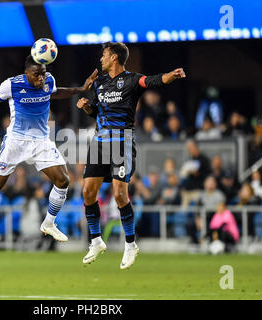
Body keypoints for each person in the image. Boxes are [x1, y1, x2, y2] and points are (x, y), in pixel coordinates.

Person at [0, 55, 98, 243]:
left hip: (41, 140)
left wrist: (80, 89)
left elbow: (55, 92)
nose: (41, 78)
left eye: (43, 73)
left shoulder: (48, 80)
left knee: (63, 180)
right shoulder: (12, 85)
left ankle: (49, 223)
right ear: (26, 74)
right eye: (36, 75)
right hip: (16, 141)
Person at [76, 41, 185, 269]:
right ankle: (96, 241)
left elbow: (153, 81)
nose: (101, 59)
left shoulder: (132, 79)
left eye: (104, 55)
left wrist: (171, 76)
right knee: (87, 191)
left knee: (119, 194)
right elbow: (96, 111)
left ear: (114, 57)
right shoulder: (100, 83)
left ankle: (130, 244)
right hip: (100, 140)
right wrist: (87, 107)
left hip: (121, 140)